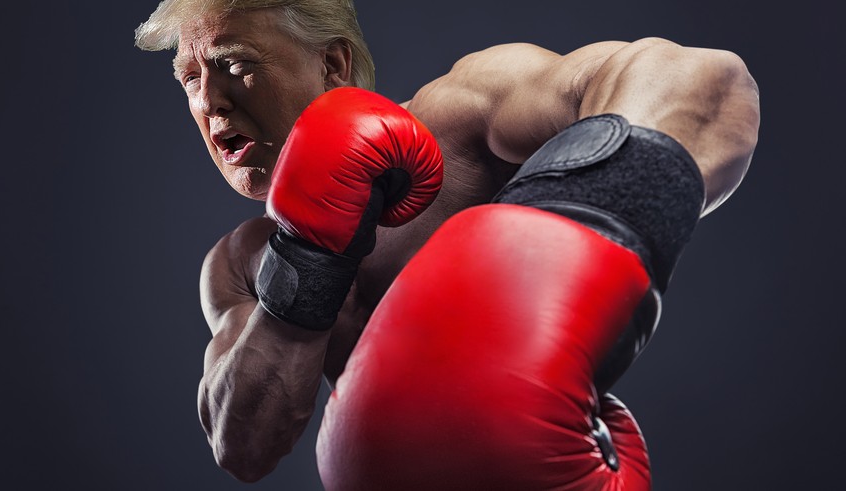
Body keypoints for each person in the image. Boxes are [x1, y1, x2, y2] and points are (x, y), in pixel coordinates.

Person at [135, 0, 760, 488]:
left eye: (235, 65)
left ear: (332, 65)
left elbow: (700, 83)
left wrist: (541, 241)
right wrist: (307, 259)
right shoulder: (242, 265)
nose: (210, 102)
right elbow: (243, 445)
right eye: (189, 78)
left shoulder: (460, 118)